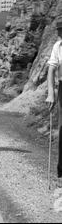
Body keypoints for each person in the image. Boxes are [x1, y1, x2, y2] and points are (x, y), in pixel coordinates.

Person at [46, 21, 62, 178]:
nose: (60, 34)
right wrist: (51, 93)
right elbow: (51, 68)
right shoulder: (58, 46)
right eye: (59, 31)